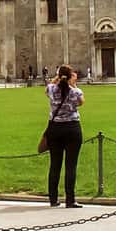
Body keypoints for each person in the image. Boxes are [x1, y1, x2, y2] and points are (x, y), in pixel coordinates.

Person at [44, 65, 84, 208]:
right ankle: (70, 199)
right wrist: (72, 84)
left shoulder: (52, 89)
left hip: (55, 129)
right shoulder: (76, 92)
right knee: (70, 166)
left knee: (55, 165)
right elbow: (81, 103)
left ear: (59, 76)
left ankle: (53, 199)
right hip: (72, 128)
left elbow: (47, 88)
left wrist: (58, 78)